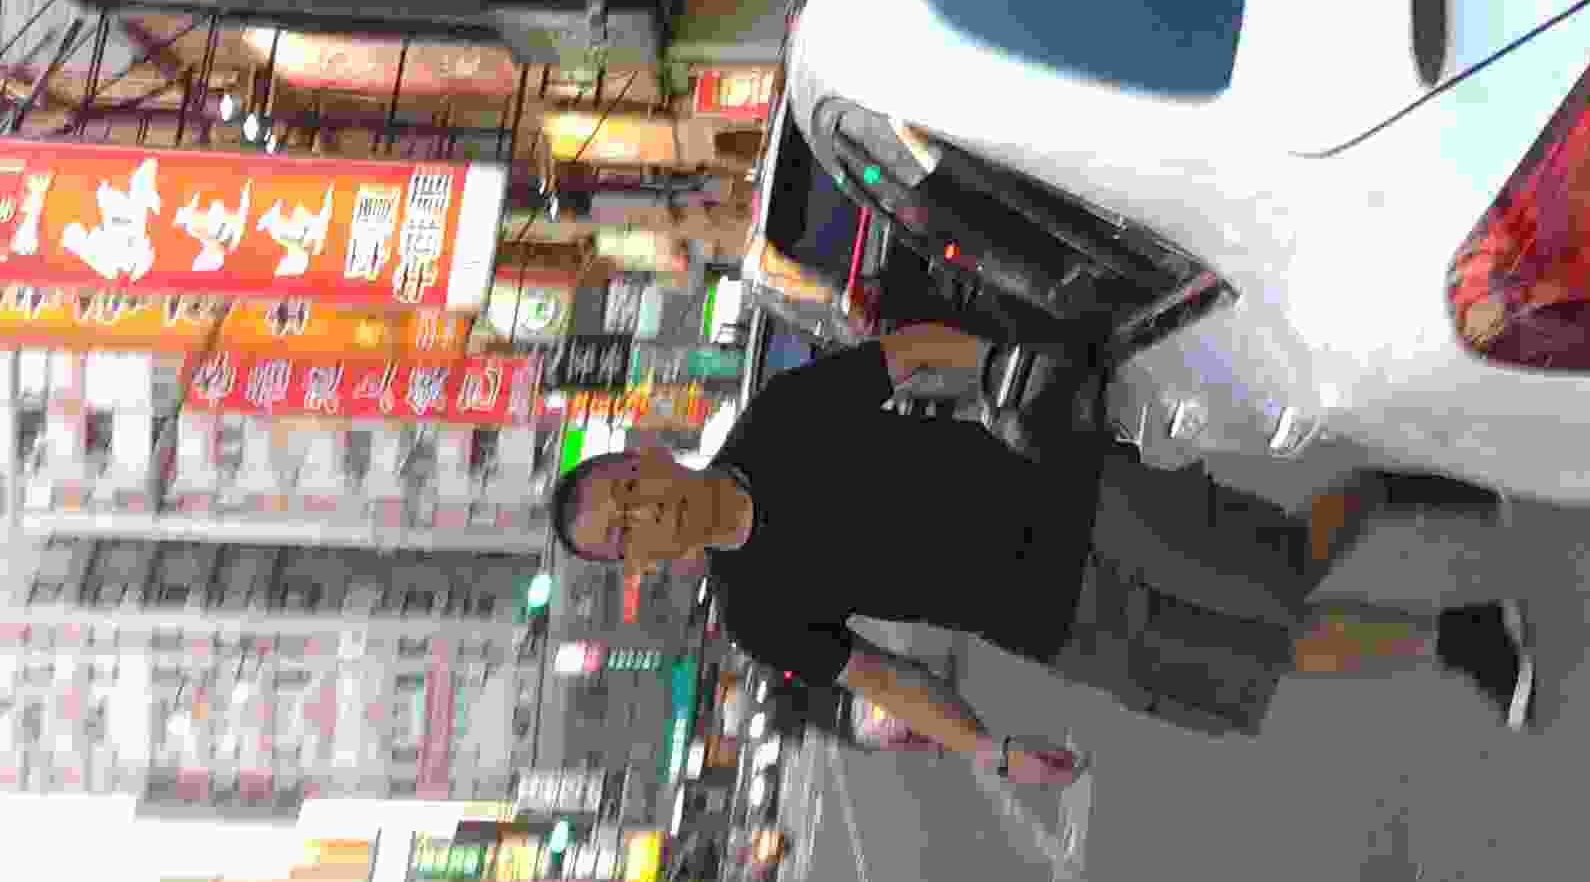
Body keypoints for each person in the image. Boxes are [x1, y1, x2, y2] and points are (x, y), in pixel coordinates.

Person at [551, 319, 1536, 772]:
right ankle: (1459, 637)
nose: (644, 515)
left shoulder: (778, 420)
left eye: (628, 490)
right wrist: (987, 748)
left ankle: (1385, 487)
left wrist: (997, 370)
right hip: (1052, 626)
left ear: (648, 457)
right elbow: (884, 678)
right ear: (636, 565)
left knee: (1281, 573)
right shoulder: (756, 613)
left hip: (1077, 498)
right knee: (1260, 660)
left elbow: (908, 354)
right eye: (621, 533)